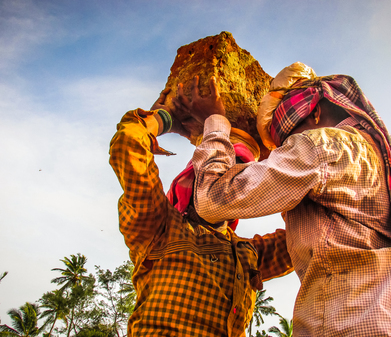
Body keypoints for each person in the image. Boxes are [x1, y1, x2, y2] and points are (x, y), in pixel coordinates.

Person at [175, 71, 391, 336]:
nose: (283, 152)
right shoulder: (382, 158)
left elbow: (212, 199)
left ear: (315, 113)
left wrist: (215, 122)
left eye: (286, 141)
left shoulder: (320, 146)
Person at [108, 87, 293, 337]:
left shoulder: (250, 254)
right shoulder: (159, 226)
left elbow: (312, 232)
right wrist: (166, 117)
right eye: (218, 169)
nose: (230, 179)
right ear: (193, 178)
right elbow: (128, 143)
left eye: (241, 175)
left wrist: (280, 153)